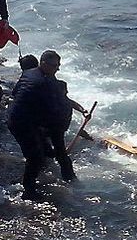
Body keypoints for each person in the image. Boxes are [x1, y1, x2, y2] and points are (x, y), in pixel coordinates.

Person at [7, 50, 90, 198]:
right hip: (23, 123)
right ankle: (28, 191)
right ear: (43, 63)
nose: (57, 68)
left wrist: (81, 110)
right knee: (36, 157)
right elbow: (58, 105)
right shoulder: (44, 83)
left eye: (58, 65)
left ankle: (62, 177)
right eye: (54, 65)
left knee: (49, 153)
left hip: (23, 119)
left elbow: (15, 93)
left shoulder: (30, 73)